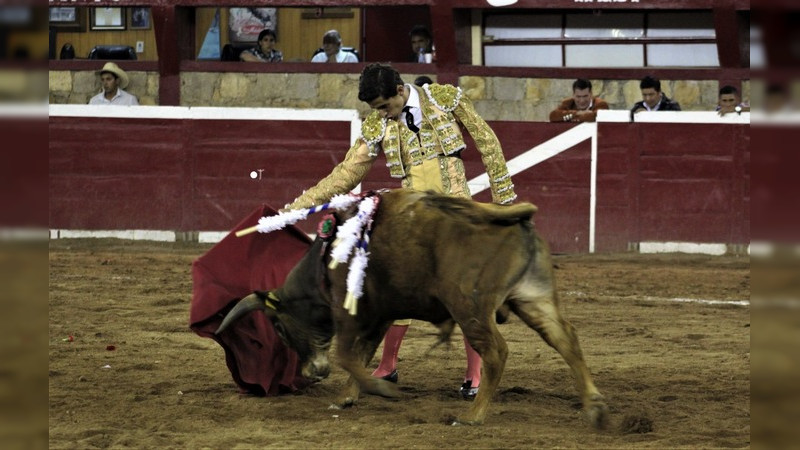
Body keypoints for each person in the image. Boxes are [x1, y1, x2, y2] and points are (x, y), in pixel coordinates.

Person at [283, 63, 517, 400]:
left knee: (467, 294)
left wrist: (504, 201)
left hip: (456, 214)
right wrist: (299, 206)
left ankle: (474, 373)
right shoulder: (379, 122)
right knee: (397, 289)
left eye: (384, 106)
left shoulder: (444, 99)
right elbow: (347, 172)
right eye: (376, 110)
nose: (382, 114)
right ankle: (387, 365)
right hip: (414, 219)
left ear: (398, 91)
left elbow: (487, 141)